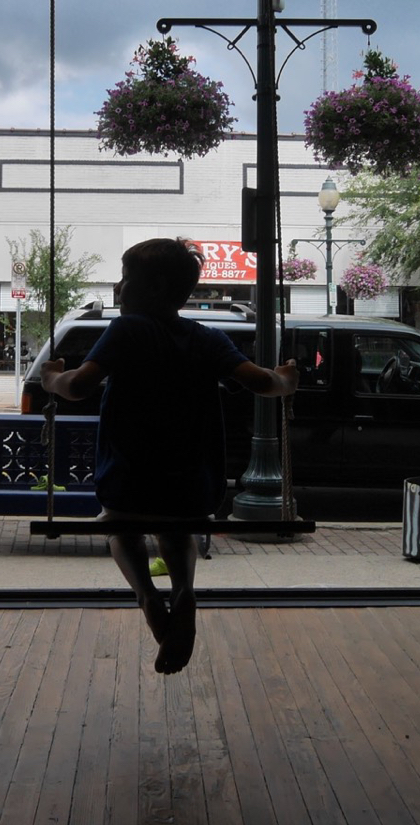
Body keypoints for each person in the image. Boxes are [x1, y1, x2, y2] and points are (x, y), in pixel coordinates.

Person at [41, 238, 298, 674]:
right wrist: (286, 380)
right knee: (177, 531)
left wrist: (51, 379)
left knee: (119, 527)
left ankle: (147, 596)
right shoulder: (208, 338)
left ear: (155, 286)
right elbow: (262, 383)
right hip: (193, 487)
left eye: (126, 278)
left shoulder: (127, 331)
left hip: (129, 482)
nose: (119, 288)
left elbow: (79, 386)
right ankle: (184, 592)